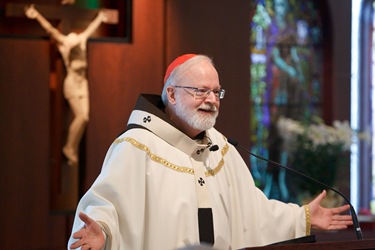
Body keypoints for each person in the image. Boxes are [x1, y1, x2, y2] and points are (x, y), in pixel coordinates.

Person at [68, 54, 353, 249]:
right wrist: (103, 233)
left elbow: (253, 212)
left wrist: (301, 218)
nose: (212, 100)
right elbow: (106, 205)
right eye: (201, 91)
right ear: (171, 94)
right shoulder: (137, 148)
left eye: (217, 92)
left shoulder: (221, 149)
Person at [24, 4, 109, 166]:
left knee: (85, 117)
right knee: (81, 116)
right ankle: (69, 148)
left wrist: (100, 18)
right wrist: (36, 15)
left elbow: (90, 29)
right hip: (72, 84)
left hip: (82, 82)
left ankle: (71, 147)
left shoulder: (81, 40)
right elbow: (50, 29)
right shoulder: (64, 43)